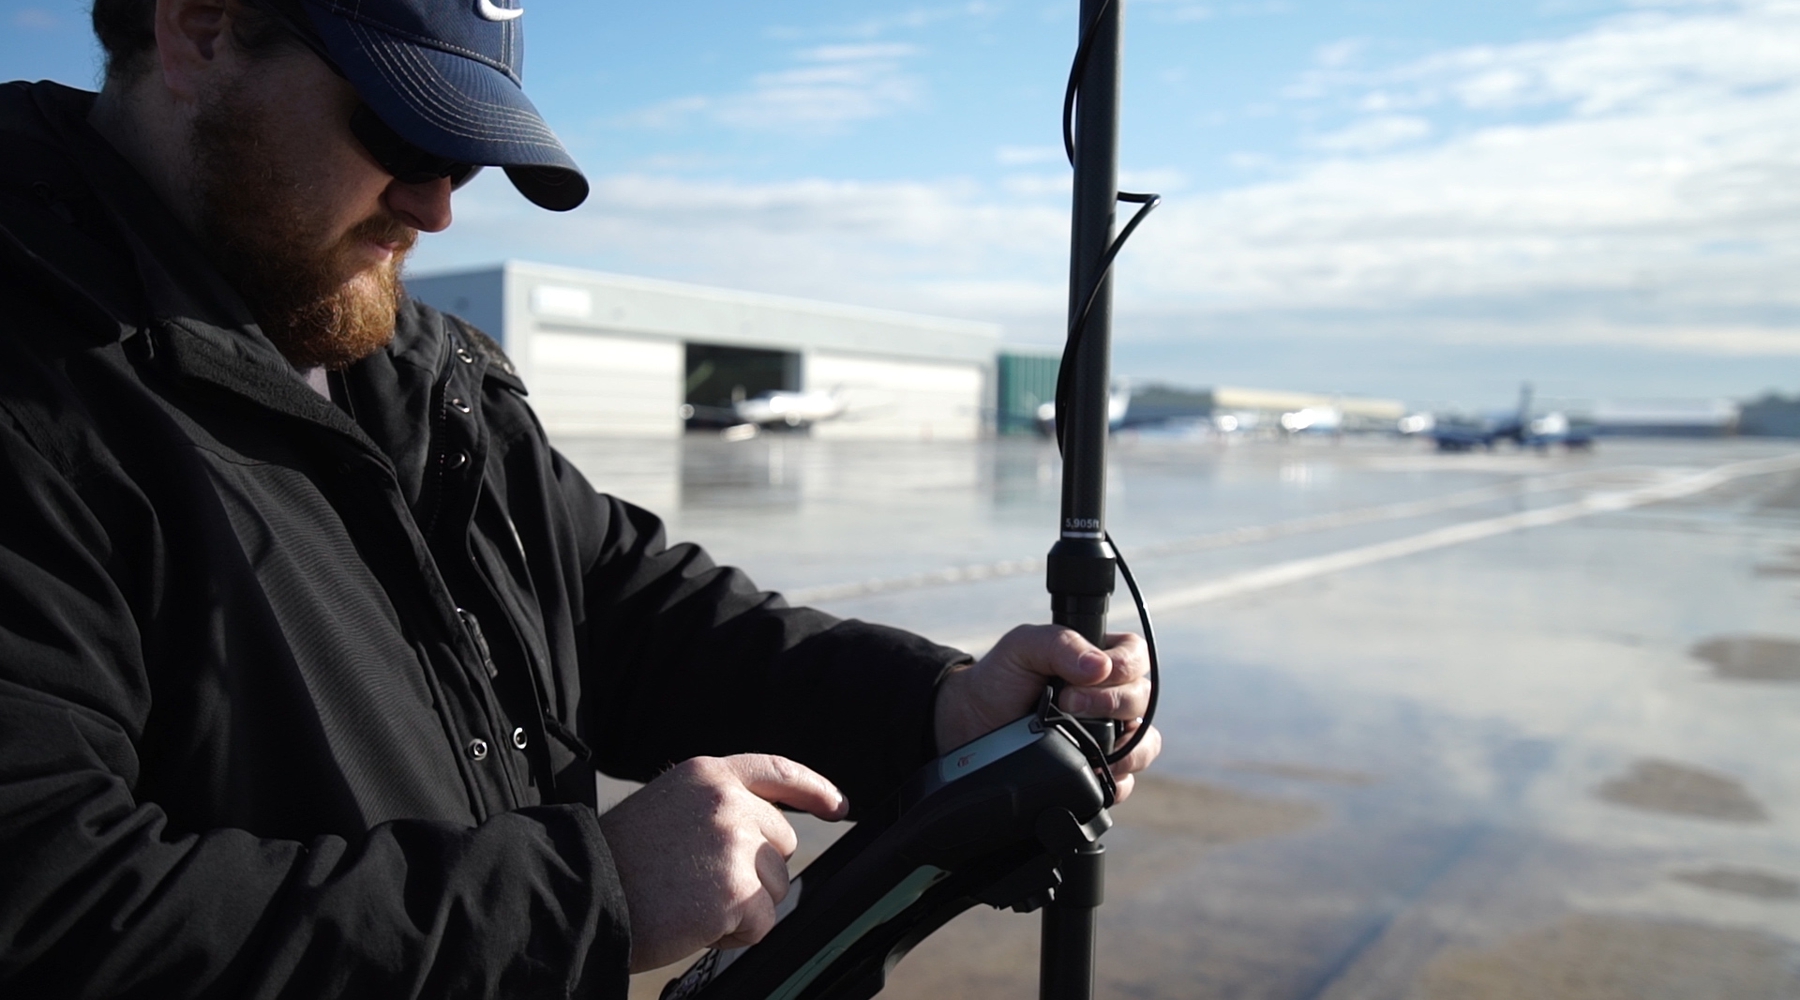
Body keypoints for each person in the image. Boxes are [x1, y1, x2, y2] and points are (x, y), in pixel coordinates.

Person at [0, 0, 1160, 994]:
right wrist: (581, 898)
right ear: (201, 32)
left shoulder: (415, 367)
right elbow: (49, 909)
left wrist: (935, 709)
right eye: (406, 129)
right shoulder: (35, 381)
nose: (438, 205)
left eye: (467, 157)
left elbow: (620, 610)